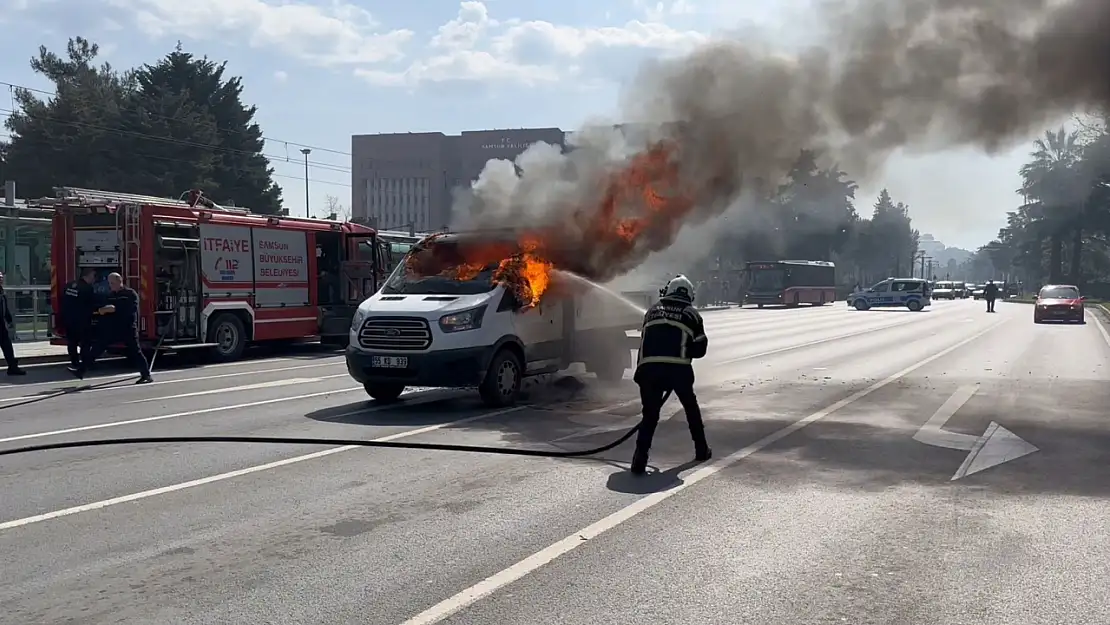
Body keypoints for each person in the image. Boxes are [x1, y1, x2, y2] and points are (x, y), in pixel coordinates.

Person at [631, 274, 711, 475]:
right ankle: (701, 450)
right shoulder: (692, 315)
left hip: (648, 370)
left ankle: (639, 460)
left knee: (650, 415)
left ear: (668, 291)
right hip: (678, 370)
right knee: (690, 408)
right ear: (690, 294)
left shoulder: (651, 311)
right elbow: (700, 349)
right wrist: (685, 349)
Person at [73, 272, 152, 383]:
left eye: (113, 283)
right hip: (112, 329)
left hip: (127, 328)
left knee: (135, 352)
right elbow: (104, 309)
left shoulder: (130, 294)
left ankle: (146, 375)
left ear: (120, 281)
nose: (111, 285)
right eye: (109, 283)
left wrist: (114, 309)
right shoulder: (110, 295)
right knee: (96, 349)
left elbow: (130, 310)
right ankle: (81, 371)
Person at [62, 268, 98, 370]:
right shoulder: (87, 288)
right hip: (82, 320)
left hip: (68, 319)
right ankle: (85, 363)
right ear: (87, 276)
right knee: (85, 343)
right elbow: (92, 304)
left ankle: (74, 362)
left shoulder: (69, 285)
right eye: (93, 276)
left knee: (72, 342)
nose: (94, 279)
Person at [0, 271, 25, 375]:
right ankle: (12, 366)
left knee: (7, 345)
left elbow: (4, 307)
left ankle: (12, 366)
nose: (1, 279)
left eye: (1, 277)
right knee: (6, 345)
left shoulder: (1, 291)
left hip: (1, 323)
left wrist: (9, 319)